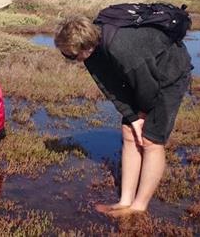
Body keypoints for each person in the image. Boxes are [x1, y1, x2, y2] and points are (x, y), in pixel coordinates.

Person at [54, 15, 192, 217]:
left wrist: (142, 115)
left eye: (71, 56)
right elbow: (109, 85)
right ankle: (125, 201)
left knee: (151, 140)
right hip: (143, 74)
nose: (70, 60)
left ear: (84, 48)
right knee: (129, 132)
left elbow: (148, 88)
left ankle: (138, 206)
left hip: (168, 75)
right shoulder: (93, 51)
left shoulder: (122, 48)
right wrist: (132, 117)